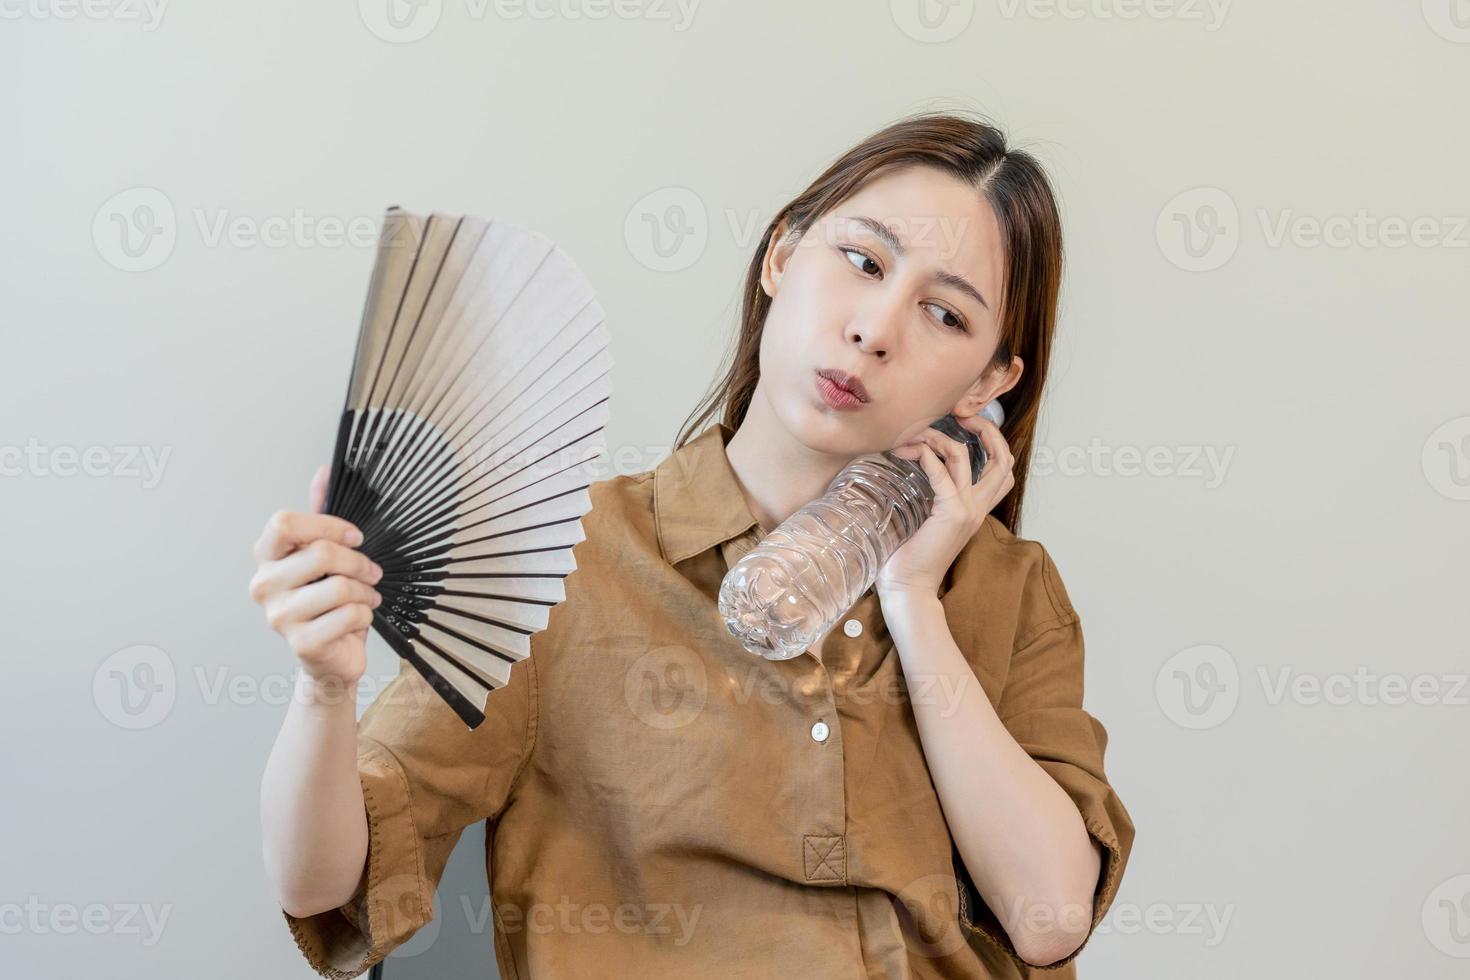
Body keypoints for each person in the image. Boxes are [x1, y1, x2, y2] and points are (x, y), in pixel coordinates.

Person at [251, 109, 1135, 979]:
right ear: (782, 256)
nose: (875, 329)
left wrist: (912, 600)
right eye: (862, 262)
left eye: (945, 315)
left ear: (988, 381)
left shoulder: (1010, 591)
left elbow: (1049, 918)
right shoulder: (565, 553)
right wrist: (325, 689)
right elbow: (330, 884)